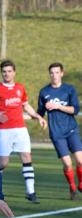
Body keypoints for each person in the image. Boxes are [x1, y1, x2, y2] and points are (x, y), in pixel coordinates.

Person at [0, 59, 47, 204]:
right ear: (1, 73)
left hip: (20, 128)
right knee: (3, 163)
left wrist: (38, 117)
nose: (7, 74)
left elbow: (26, 105)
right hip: (4, 130)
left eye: (9, 71)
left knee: (26, 156)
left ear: (14, 72)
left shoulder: (20, 88)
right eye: (4, 71)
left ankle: (31, 192)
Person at [37, 62, 82, 200]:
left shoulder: (69, 89)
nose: (54, 75)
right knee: (67, 164)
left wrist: (58, 106)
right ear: (49, 74)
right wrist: (41, 119)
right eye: (52, 73)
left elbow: (75, 110)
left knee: (80, 161)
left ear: (62, 73)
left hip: (71, 130)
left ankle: (81, 184)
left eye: (57, 72)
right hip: (56, 133)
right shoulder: (44, 92)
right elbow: (40, 112)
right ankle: (72, 188)